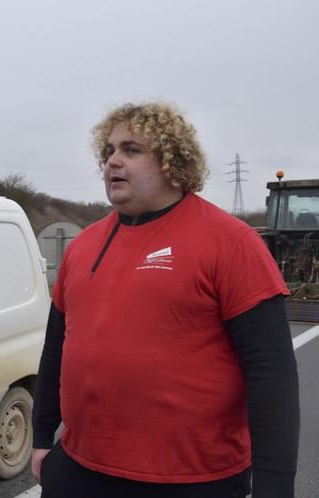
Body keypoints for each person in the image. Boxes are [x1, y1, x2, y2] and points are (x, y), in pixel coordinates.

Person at [31, 102, 300, 498]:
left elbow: (271, 373)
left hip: (193, 479)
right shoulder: (83, 245)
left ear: (173, 161)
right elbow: (56, 346)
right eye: (108, 152)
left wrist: (275, 488)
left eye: (131, 149)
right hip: (80, 470)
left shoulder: (231, 242)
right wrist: (42, 438)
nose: (113, 162)